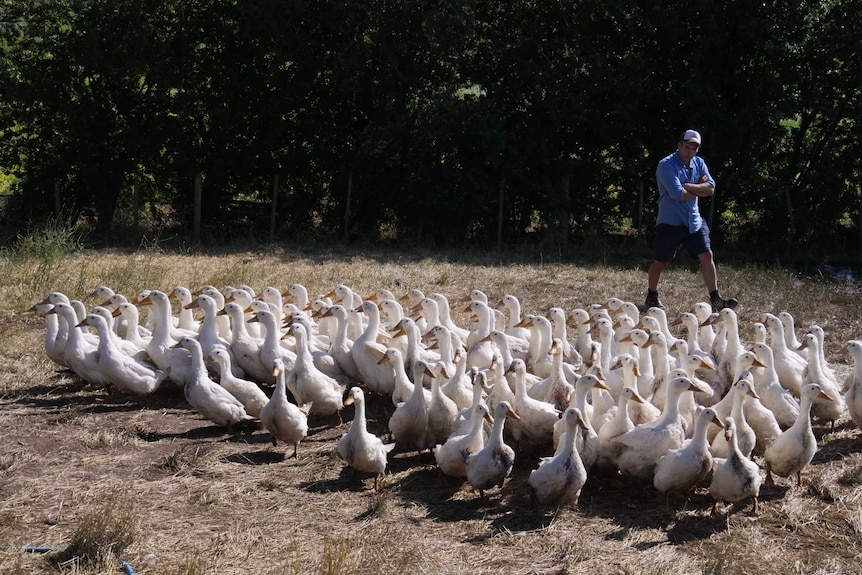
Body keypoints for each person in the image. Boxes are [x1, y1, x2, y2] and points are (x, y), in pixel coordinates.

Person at [643, 129, 737, 313]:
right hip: (670, 221)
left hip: (693, 220)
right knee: (661, 262)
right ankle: (651, 294)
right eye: (687, 147)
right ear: (679, 145)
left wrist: (688, 186)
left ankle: (715, 299)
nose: (690, 152)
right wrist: (698, 188)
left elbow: (710, 189)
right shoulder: (666, 165)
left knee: (707, 256)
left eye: (694, 149)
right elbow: (678, 195)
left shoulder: (699, 163)